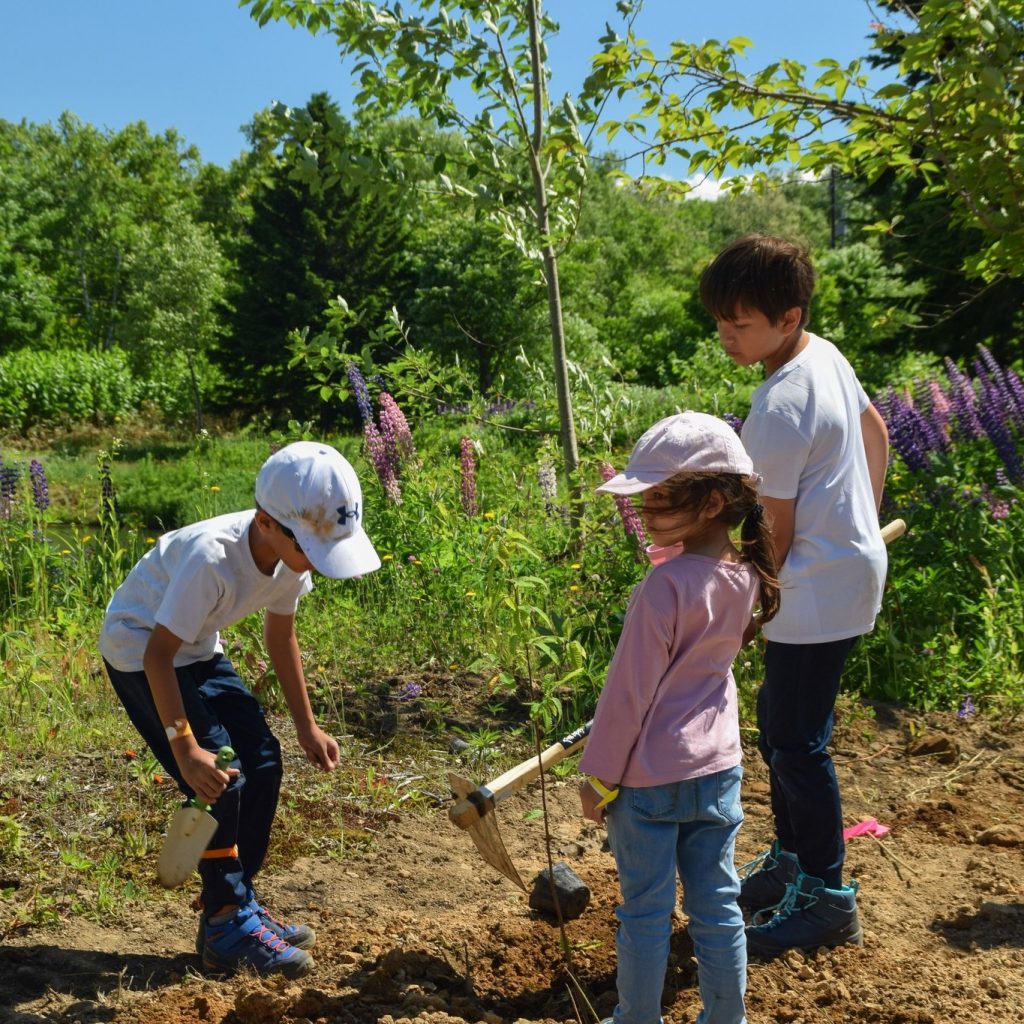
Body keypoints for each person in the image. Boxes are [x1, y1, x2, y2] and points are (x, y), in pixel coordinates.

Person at [100, 441, 381, 978]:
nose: (314, 566)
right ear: (267, 523)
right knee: (220, 773)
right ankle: (228, 922)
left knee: (263, 757)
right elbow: (160, 654)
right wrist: (185, 747)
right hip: (141, 651)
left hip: (198, 647)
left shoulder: (292, 554)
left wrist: (307, 725)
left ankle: (233, 905)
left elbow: (281, 638)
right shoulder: (213, 558)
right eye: (312, 550)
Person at [699, 234, 890, 959]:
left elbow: (769, 531)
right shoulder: (824, 353)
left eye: (739, 325)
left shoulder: (780, 403)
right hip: (836, 573)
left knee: (798, 745)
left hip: (811, 591)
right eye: (720, 322)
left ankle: (827, 895)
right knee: (780, 729)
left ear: (788, 316)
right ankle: (788, 862)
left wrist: (741, 616)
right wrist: (861, 525)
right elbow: (876, 431)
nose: (726, 336)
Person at [579, 411, 780, 1024]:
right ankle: (726, 1017)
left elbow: (628, 695)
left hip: (647, 781)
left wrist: (597, 777)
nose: (645, 511)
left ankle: (637, 1018)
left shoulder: (662, 588)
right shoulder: (746, 577)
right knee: (718, 904)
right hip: (718, 772)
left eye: (661, 499)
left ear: (713, 502)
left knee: (644, 910)